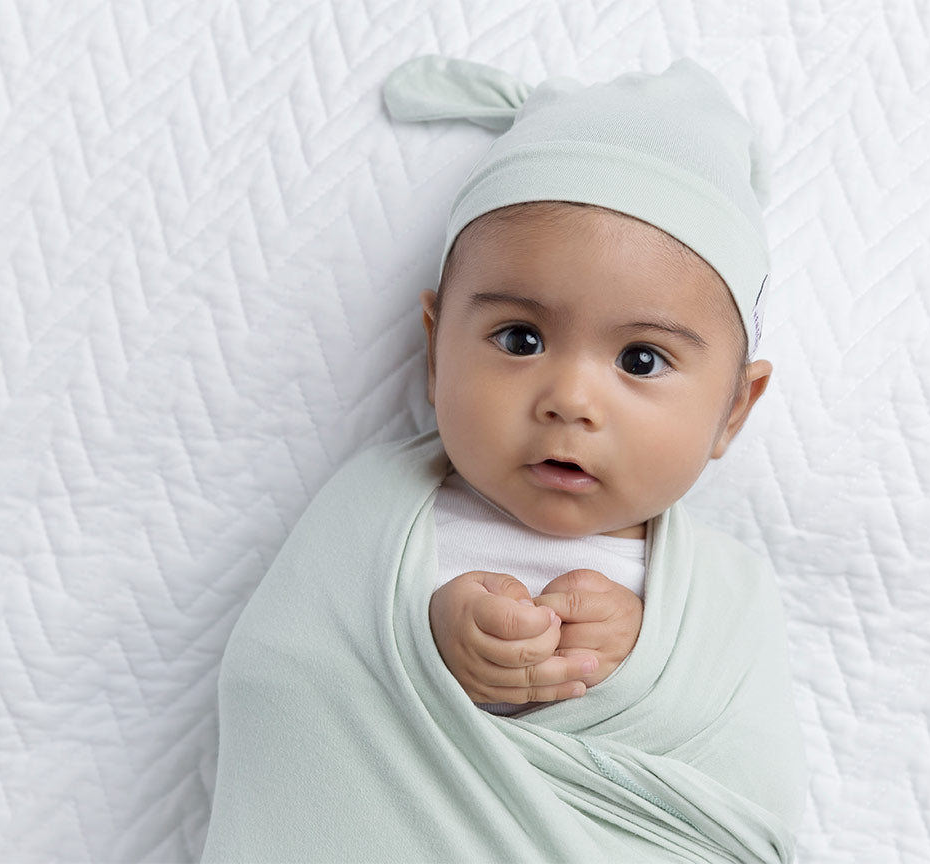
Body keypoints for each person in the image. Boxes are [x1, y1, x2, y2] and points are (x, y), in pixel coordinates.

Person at [201, 56, 806, 863]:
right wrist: (425, 646)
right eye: (520, 339)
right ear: (435, 349)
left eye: (641, 360)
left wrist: (639, 661)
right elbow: (288, 680)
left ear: (733, 408)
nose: (570, 400)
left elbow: (743, 795)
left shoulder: (721, 600)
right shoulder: (375, 517)